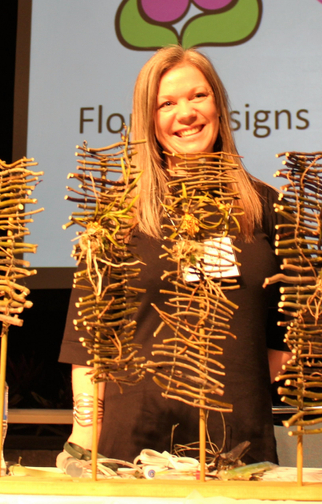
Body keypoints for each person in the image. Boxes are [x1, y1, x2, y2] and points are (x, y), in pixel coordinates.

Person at [58, 45, 291, 466]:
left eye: (198, 96)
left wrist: (240, 391)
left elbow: (283, 333)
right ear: (148, 119)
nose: (186, 113)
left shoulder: (264, 206)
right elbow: (88, 342)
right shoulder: (118, 214)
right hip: (132, 450)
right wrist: (83, 436)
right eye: (167, 102)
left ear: (218, 105)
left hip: (240, 450)